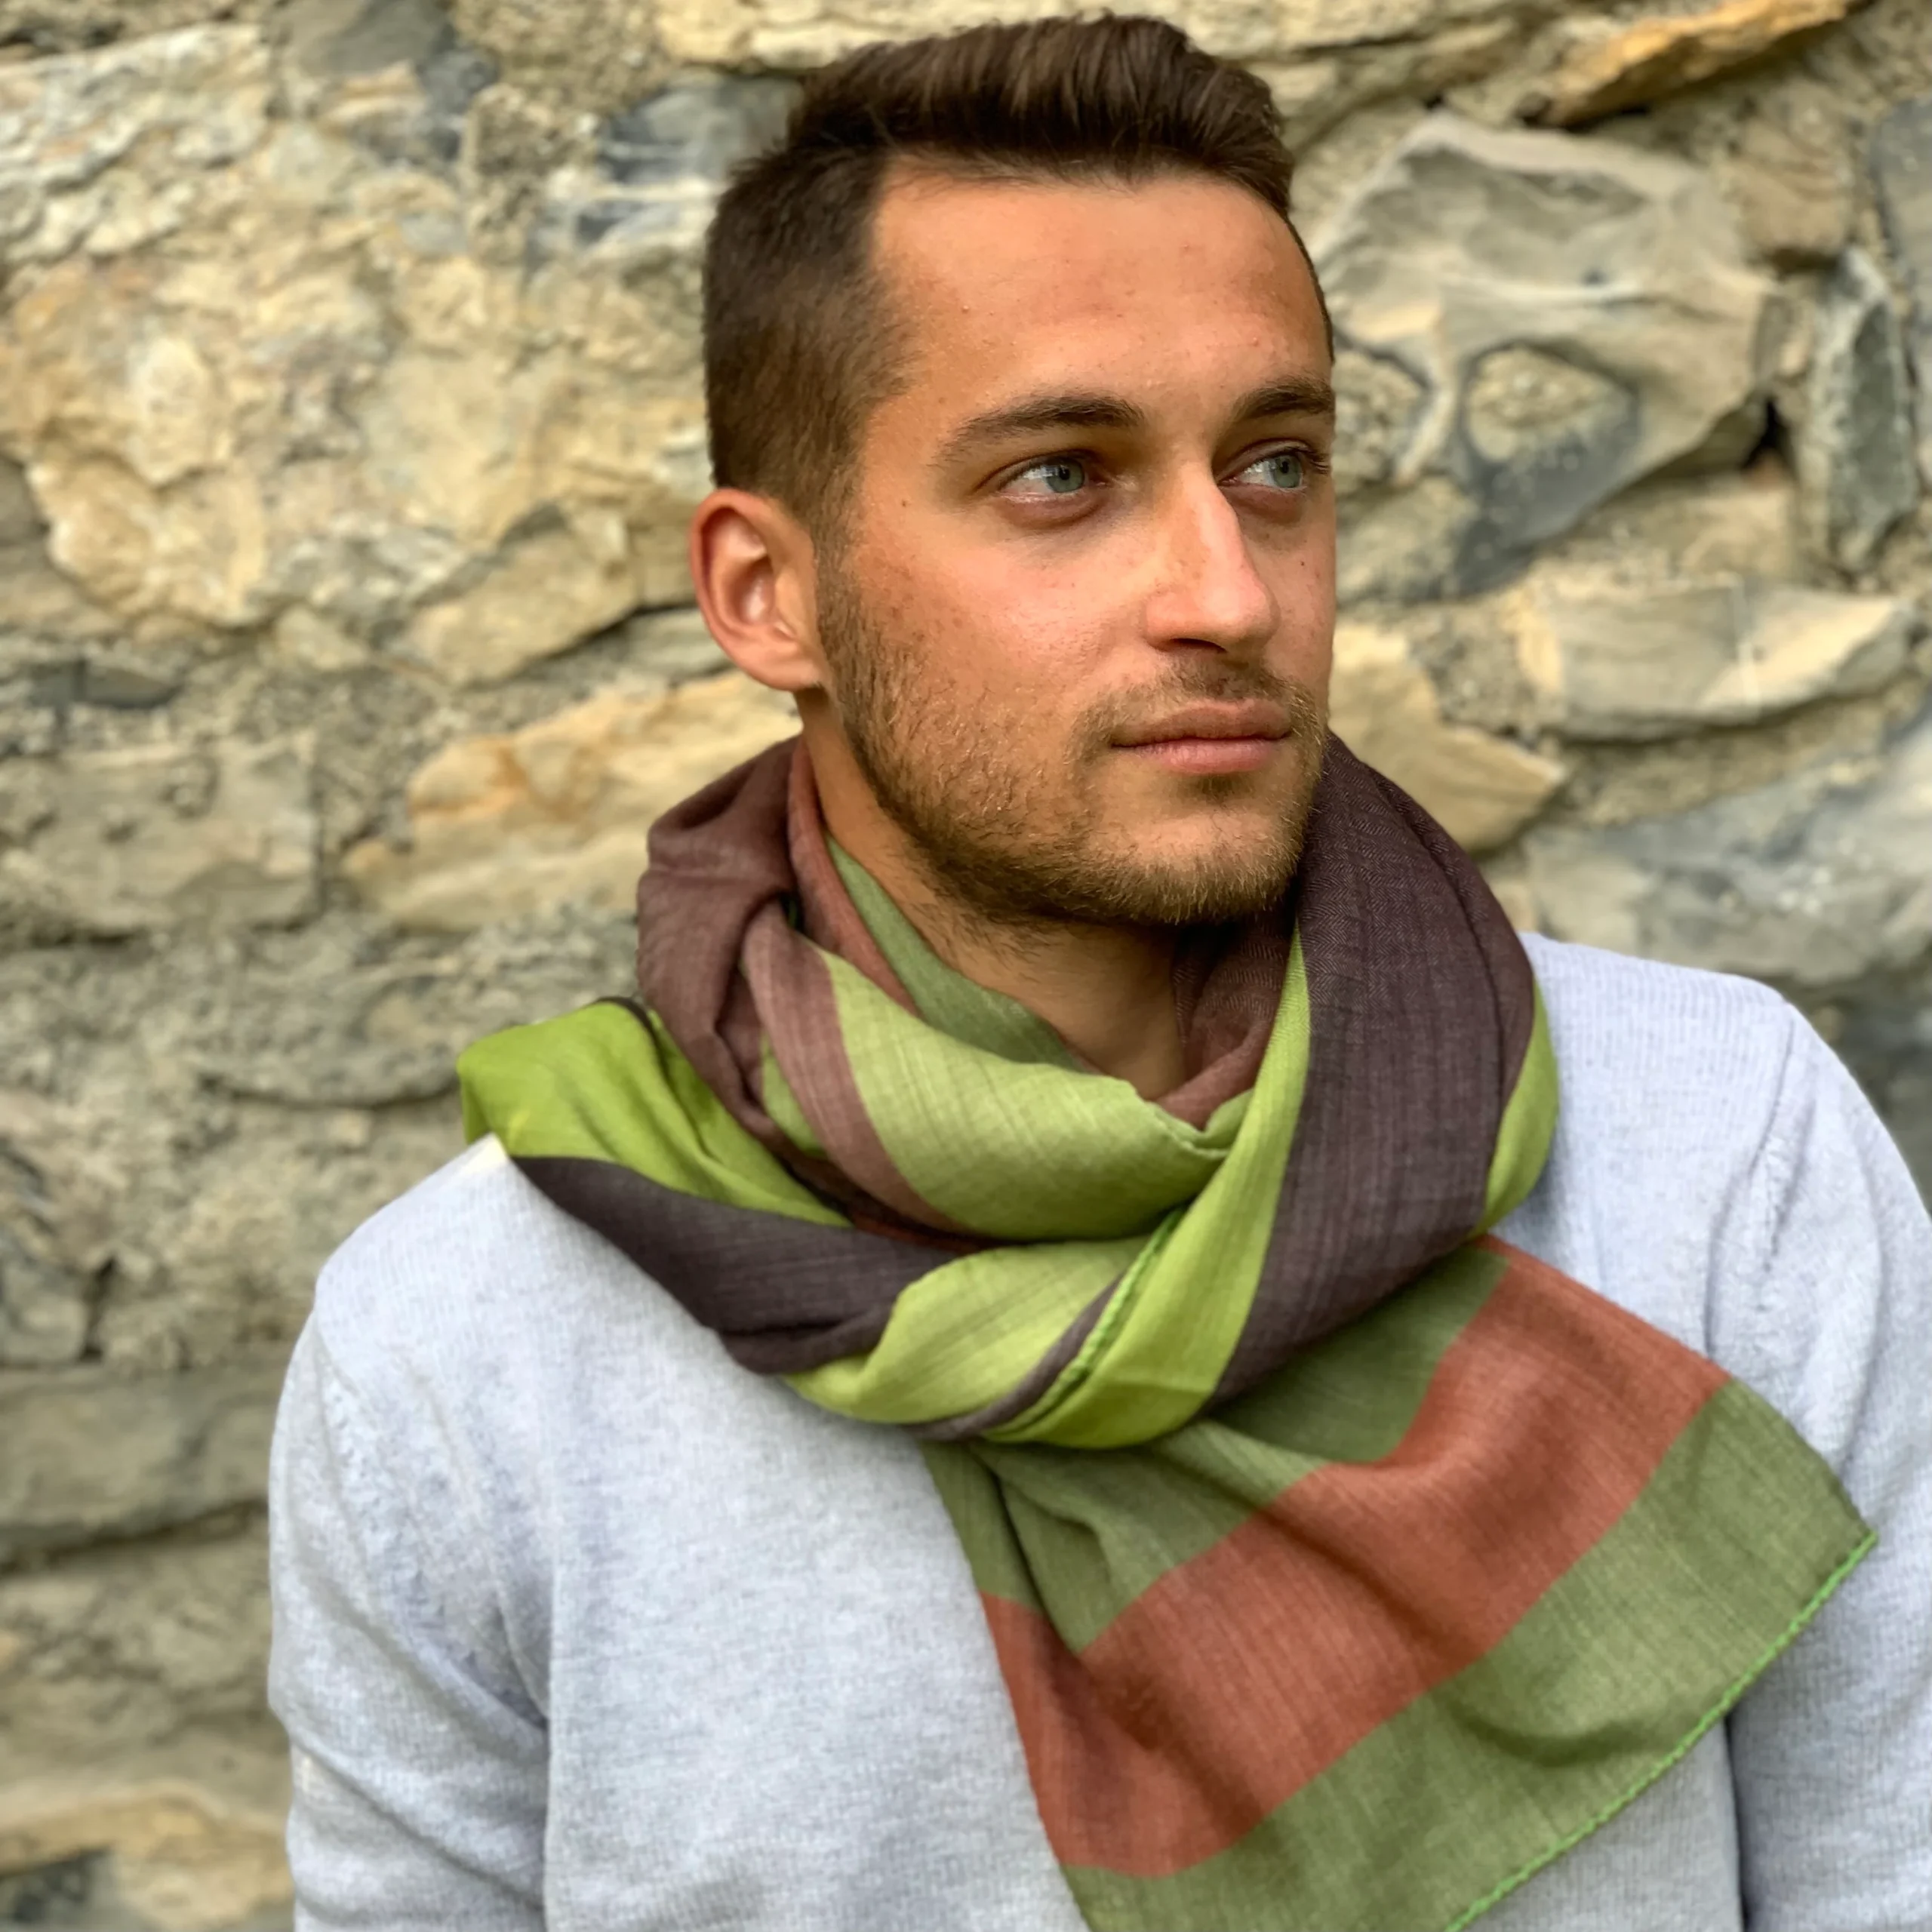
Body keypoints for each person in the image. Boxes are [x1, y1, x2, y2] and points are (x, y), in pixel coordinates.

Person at [266, 17, 1932, 1930]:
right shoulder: (468, 1353)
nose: (1226, 590)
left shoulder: (1712, 1150)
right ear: (764, 593)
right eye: (1061, 476)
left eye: (1276, 463)